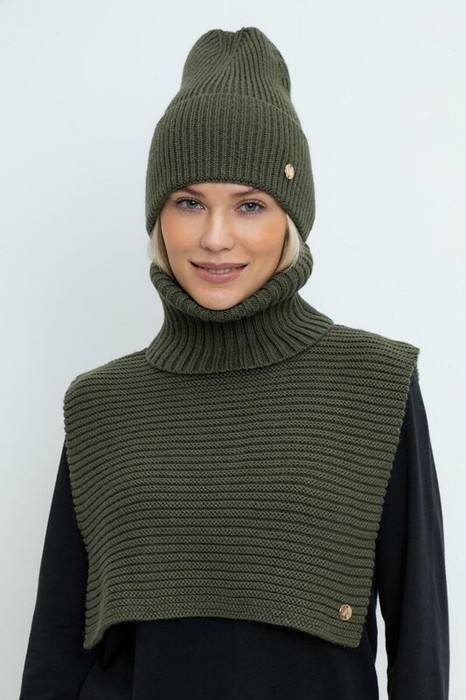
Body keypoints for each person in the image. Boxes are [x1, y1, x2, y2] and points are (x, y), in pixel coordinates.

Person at [18, 26, 449, 700]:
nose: (215, 237)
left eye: (250, 205)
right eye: (189, 202)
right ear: (159, 218)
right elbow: (55, 657)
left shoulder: (372, 385)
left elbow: (421, 650)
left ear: (290, 219)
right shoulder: (103, 406)